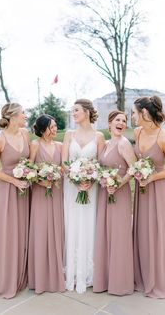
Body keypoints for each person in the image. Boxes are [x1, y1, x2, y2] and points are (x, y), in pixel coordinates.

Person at [132, 95, 165, 298]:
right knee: (142, 230)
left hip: (158, 189)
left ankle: (160, 279)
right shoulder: (137, 132)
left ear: (144, 113)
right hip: (141, 189)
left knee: (158, 232)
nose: (131, 116)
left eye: (134, 112)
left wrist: (152, 177)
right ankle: (143, 276)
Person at [0, 103, 30, 299]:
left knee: (23, 231)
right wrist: (14, 181)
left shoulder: (25, 134)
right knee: (8, 233)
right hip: (6, 190)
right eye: (23, 113)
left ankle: (22, 274)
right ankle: (6, 279)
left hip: (25, 189)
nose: (25, 116)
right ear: (13, 116)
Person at [62, 98, 105, 294]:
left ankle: (88, 273)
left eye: (76, 110)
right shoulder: (69, 135)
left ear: (87, 112)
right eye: (72, 110)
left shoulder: (99, 136)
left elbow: (101, 164)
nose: (73, 113)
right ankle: (71, 272)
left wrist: (90, 180)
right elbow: (63, 162)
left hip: (90, 188)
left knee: (89, 224)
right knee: (72, 224)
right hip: (72, 188)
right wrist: (75, 179)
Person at [93, 110, 135, 296]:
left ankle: (120, 282)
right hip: (105, 193)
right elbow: (101, 166)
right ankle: (105, 279)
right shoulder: (107, 143)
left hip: (119, 194)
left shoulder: (124, 144)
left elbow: (134, 169)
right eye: (118, 120)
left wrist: (118, 184)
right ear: (109, 123)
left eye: (124, 120)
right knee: (106, 234)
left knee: (118, 235)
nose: (121, 123)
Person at [28, 114, 65, 293]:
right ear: (43, 129)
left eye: (56, 126)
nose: (55, 130)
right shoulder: (35, 145)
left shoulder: (60, 145)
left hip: (57, 192)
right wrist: (40, 181)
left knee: (57, 229)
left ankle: (57, 272)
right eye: (52, 127)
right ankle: (40, 277)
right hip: (40, 192)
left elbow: (65, 168)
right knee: (41, 230)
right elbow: (28, 169)